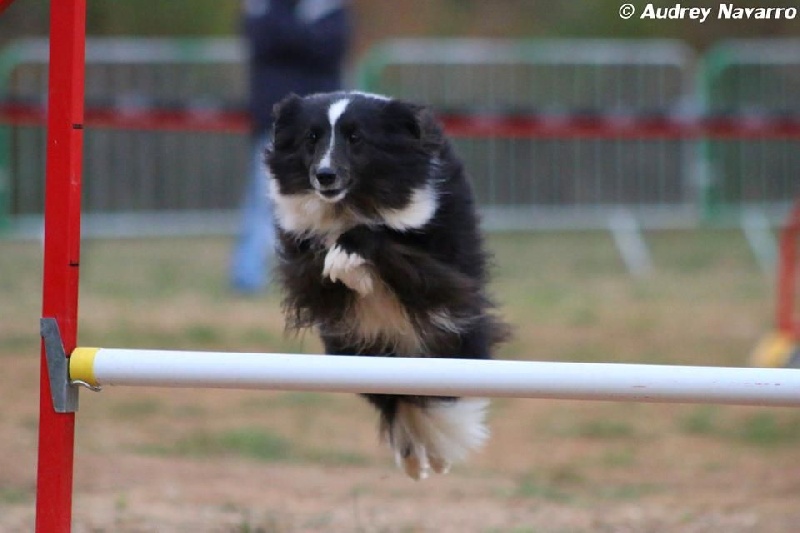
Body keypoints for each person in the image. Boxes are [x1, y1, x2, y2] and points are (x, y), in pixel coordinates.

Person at [231, 0, 351, 293]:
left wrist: (285, 36)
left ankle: (327, 278)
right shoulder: (261, 6)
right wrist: (302, 34)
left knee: (329, 204)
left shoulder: (327, 6)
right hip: (273, 123)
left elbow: (329, 47)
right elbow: (260, 41)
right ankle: (247, 278)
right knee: (264, 200)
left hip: (323, 128)